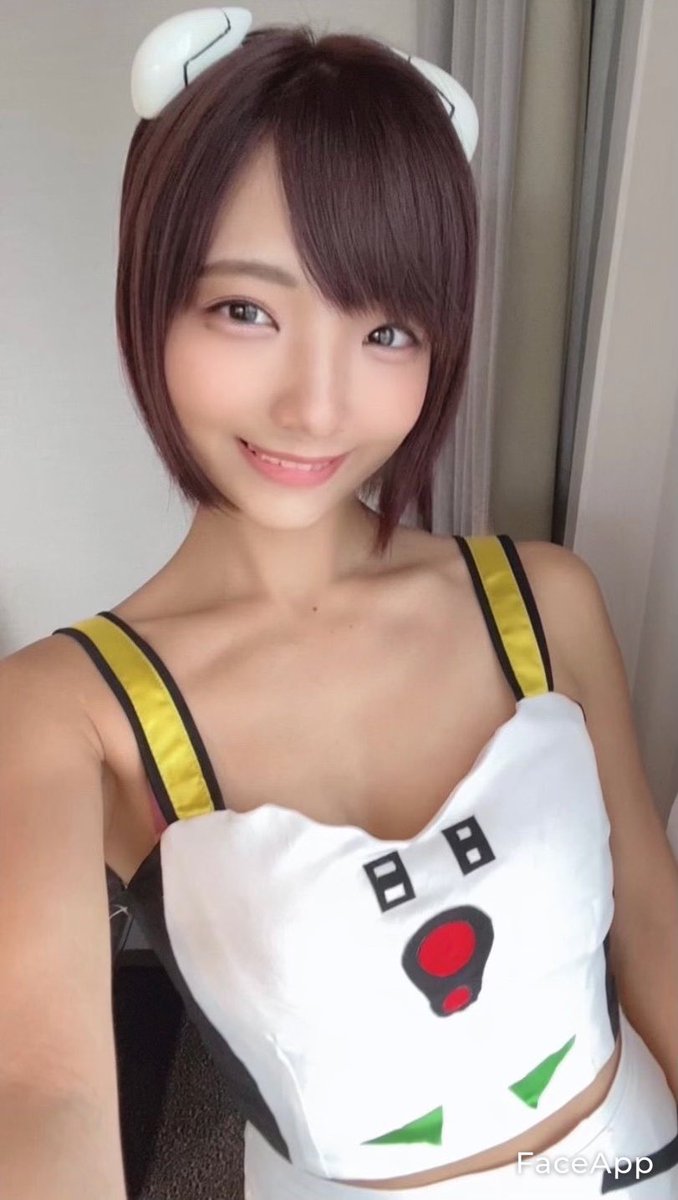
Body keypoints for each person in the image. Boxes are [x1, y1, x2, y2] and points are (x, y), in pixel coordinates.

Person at [1, 9, 677, 1200]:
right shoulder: (67, 709)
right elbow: (42, 1089)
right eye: (247, 311)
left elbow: (655, 934)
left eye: (387, 330)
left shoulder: (542, 602)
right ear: (150, 296)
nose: (317, 406)